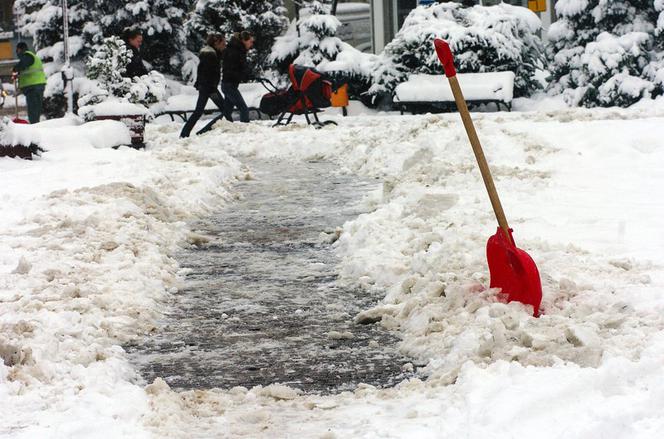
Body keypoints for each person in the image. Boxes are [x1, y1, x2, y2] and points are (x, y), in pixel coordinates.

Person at [180, 34, 228, 138]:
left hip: (206, 87)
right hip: (209, 87)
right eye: (223, 43)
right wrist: (210, 86)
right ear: (216, 43)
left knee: (199, 111)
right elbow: (208, 72)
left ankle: (185, 133)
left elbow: (201, 71)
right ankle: (209, 129)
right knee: (225, 110)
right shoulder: (210, 55)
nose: (224, 45)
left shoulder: (211, 54)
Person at [221, 31, 254, 123]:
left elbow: (239, 68)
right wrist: (245, 75)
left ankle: (226, 128)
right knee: (244, 109)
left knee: (227, 112)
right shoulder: (235, 52)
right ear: (244, 40)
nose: (251, 44)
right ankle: (245, 129)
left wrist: (247, 74)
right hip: (229, 85)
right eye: (250, 42)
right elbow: (233, 69)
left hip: (229, 84)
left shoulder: (237, 50)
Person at [12, 42, 47, 124]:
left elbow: (23, 64)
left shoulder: (28, 56)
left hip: (33, 88)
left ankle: (34, 130)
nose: (17, 53)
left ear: (20, 49)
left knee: (33, 111)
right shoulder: (31, 56)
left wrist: (15, 69)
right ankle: (36, 126)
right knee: (35, 111)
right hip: (36, 86)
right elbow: (27, 71)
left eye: (17, 50)